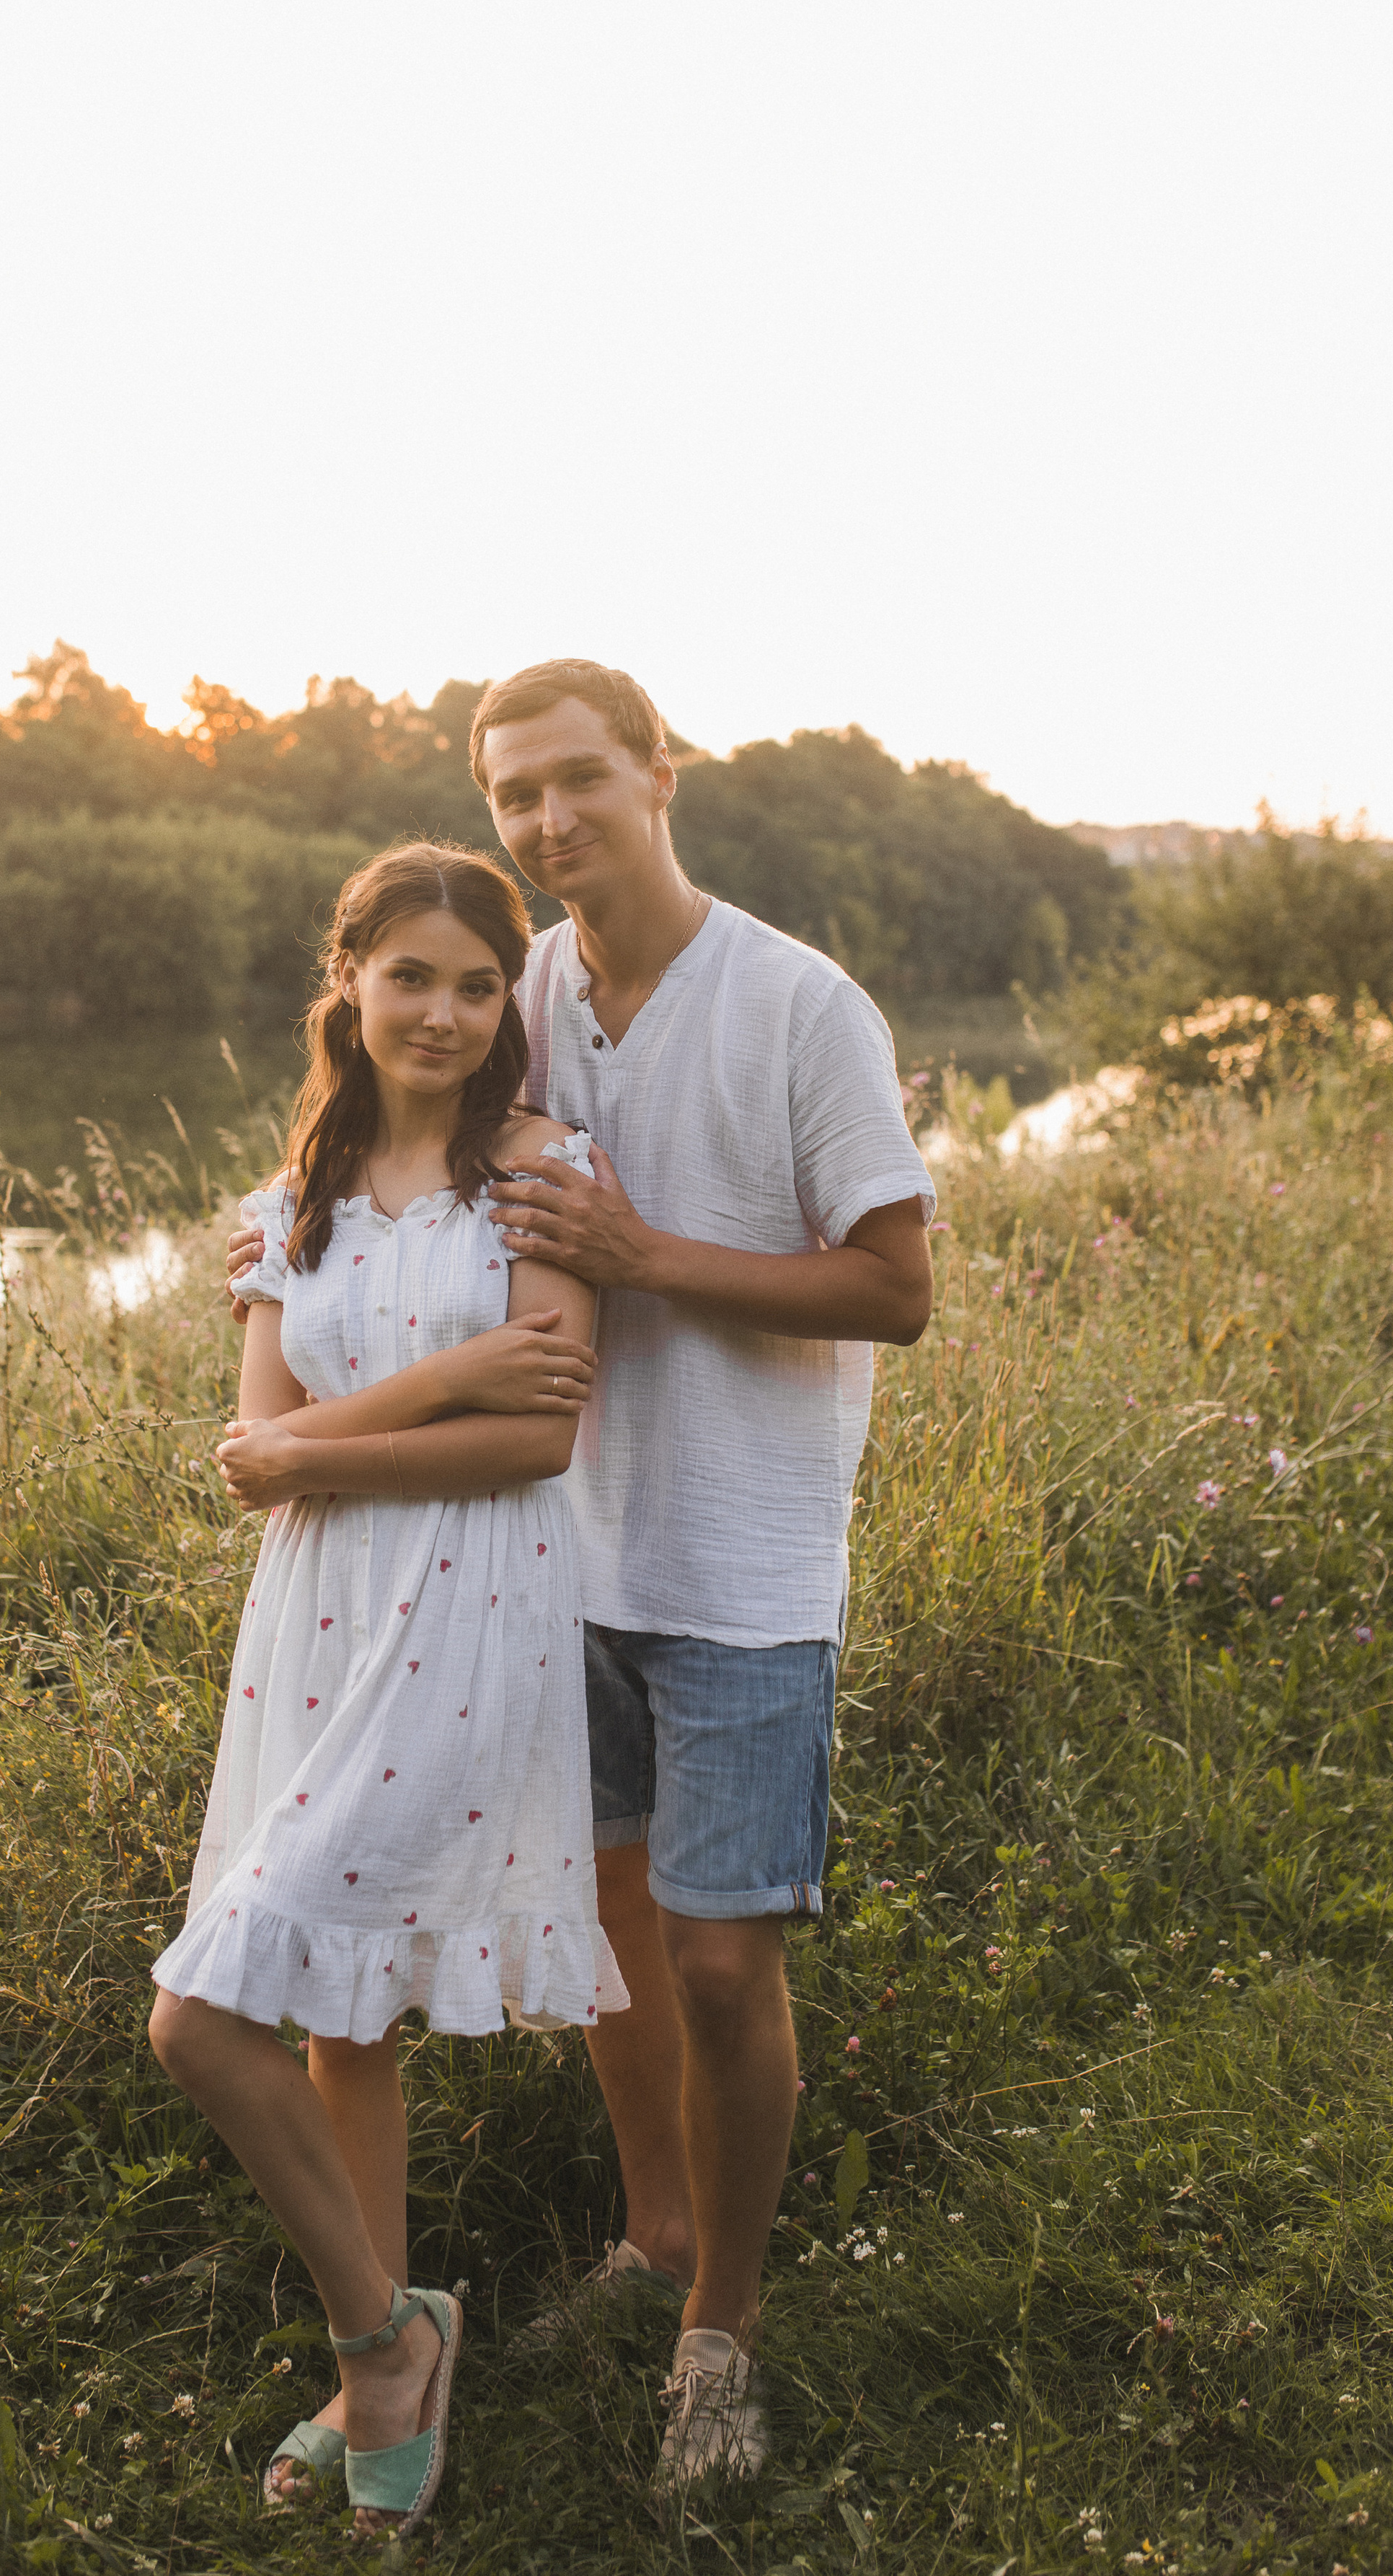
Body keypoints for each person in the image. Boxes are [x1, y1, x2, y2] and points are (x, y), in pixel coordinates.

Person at [224, 661, 935, 2497]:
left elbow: (894, 1289)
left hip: (747, 1555)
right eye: (512, 794)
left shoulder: (797, 1002)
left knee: (714, 1963)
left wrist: (643, 1252)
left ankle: (725, 2342)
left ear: (656, 775)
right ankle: (655, 2244)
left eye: (576, 784)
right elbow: (394, 1152)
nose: (545, 824)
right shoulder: (522, 986)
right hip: (553, 1566)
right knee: (616, 1945)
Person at [151, 840, 626, 2541]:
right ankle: (389, 2344)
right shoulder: (294, 1205)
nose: (440, 1011)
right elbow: (252, 1467)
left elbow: (535, 1439)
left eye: (477, 983)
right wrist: (447, 1372)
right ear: (347, 981)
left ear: (513, 1004)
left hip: (470, 1611)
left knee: (197, 2016)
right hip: (320, 1621)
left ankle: (379, 2340)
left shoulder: (541, 1174)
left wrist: (326, 1439)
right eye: (408, 974)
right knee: (337, 2019)